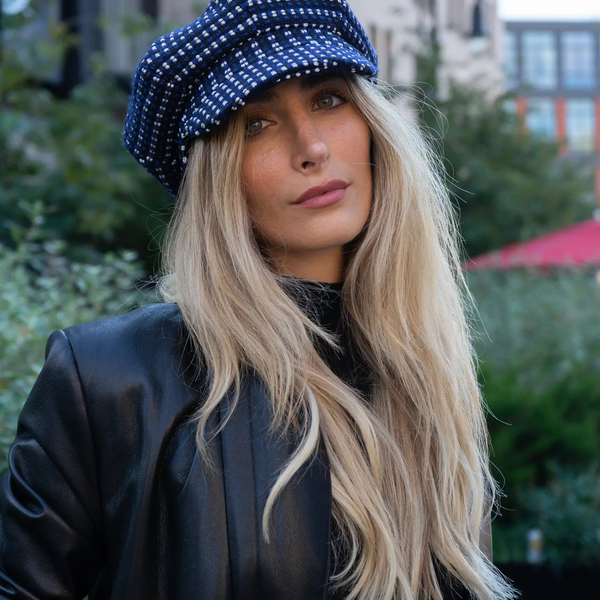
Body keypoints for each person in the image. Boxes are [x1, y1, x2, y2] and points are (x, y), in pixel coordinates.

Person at [0, 1, 517, 599]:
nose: (311, 147)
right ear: (218, 180)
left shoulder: (429, 373)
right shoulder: (109, 379)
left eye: (329, 99)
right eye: (256, 124)